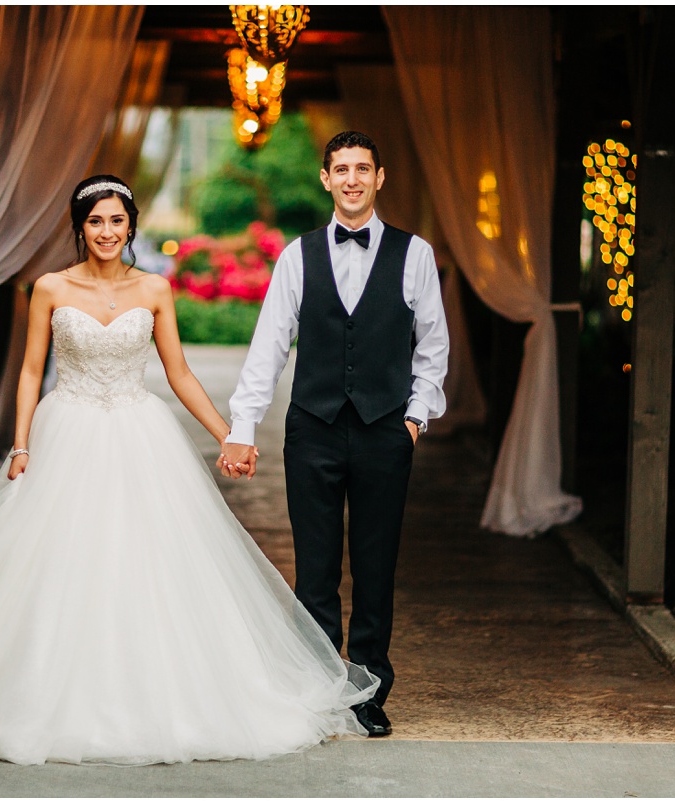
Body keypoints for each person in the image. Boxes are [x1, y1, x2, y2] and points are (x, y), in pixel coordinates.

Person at [0, 175, 378, 766]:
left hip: (139, 432)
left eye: (116, 221)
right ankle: (37, 693)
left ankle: (163, 695)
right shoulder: (51, 287)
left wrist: (229, 434)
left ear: (131, 225)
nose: (106, 232)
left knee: (150, 561)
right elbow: (31, 372)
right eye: (94, 222)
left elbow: (180, 373)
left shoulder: (155, 288)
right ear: (80, 228)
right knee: (56, 562)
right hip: (68, 431)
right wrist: (22, 444)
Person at [220, 132, 449, 737]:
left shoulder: (415, 253)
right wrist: (242, 427)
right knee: (315, 568)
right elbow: (268, 346)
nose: (351, 179)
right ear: (325, 178)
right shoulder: (298, 256)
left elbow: (433, 346)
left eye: (362, 169)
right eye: (341, 169)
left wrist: (414, 420)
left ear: (380, 177)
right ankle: (320, 691)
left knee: (376, 567)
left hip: (384, 432)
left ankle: (369, 690)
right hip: (313, 430)